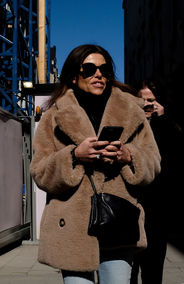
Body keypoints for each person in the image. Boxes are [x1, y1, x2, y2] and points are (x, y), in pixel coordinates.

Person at [30, 44, 161, 284]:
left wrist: (128, 156)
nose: (98, 74)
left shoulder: (133, 111)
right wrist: (73, 156)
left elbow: (153, 163)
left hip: (119, 222)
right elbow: (40, 172)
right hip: (71, 227)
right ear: (73, 75)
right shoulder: (53, 116)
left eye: (104, 69)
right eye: (89, 68)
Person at [130, 78, 182, 284]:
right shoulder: (129, 127)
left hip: (158, 212)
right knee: (128, 273)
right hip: (131, 210)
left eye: (151, 101)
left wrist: (161, 120)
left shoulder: (168, 128)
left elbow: (173, 162)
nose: (147, 106)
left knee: (153, 272)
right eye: (143, 101)